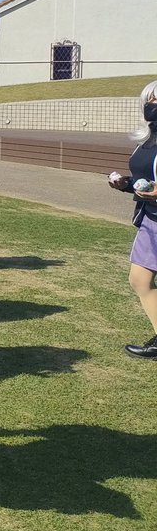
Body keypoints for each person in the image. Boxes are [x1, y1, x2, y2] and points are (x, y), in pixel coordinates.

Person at [108, 79, 157, 358]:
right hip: (151, 218)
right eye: (149, 101)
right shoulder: (147, 140)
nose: (153, 106)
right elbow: (144, 180)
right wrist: (126, 184)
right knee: (140, 279)